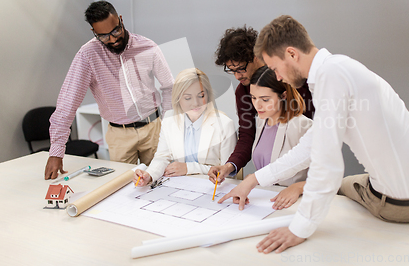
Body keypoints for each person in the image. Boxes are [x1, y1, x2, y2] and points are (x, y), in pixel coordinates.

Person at [219, 15, 409, 254]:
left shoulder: (329, 80)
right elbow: (312, 145)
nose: (277, 77)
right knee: (349, 180)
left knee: (340, 184)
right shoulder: (342, 67)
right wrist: (252, 180)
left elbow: (326, 166)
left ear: (291, 54)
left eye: (276, 69)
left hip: (404, 206)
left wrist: (299, 229)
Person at [44, 1, 174, 180]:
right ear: (94, 32)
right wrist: (56, 151)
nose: (112, 39)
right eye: (104, 36)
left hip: (153, 129)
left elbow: (169, 87)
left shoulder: (148, 47)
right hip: (119, 135)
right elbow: (68, 102)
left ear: (120, 20)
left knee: (161, 180)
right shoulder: (87, 55)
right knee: (123, 186)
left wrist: (168, 124)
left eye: (115, 31)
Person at [207, 26, 315, 184]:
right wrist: (230, 166)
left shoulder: (295, 80)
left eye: (241, 69)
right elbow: (247, 136)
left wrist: (301, 186)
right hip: (271, 187)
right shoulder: (244, 94)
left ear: (256, 57)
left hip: (301, 182)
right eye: (232, 71)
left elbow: (319, 146)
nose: (237, 76)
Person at [133, 68, 237, 185]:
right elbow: (162, 157)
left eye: (201, 96)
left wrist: (189, 168)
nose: (195, 103)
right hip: (180, 186)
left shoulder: (224, 124)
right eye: (188, 98)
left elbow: (227, 173)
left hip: (212, 187)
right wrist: (149, 174)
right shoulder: (169, 119)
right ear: (178, 98)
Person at [249, 66, 312, 210]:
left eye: (265, 99)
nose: (257, 105)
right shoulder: (261, 120)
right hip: (266, 200)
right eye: (253, 98)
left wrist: (298, 187)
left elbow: (328, 176)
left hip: (296, 203)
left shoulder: (303, 125)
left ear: (283, 96)